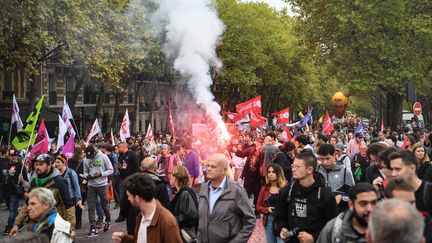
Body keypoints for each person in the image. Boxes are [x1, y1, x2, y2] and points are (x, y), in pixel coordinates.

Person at [274, 152, 338, 243]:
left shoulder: (324, 194)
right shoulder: (287, 190)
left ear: (309, 170)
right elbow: (279, 216)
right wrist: (282, 228)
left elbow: (333, 225)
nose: (293, 169)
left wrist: (314, 237)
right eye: (293, 166)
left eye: (298, 167)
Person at [10, 154, 75, 236]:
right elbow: (27, 204)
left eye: (41, 164)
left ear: (49, 165)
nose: (37, 167)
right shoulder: (34, 182)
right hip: (36, 226)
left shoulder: (59, 181)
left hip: (55, 226)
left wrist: (71, 228)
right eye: (36, 164)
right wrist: (17, 224)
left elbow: (68, 205)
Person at [197, 153, 255, 242]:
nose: (208, 169)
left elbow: (250, 220)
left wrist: (237, 241)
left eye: (213, 167)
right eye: (208, 165)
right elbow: (201, 219)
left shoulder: (236, 191)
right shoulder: (203, 189)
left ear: (224, 170)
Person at [111, 173, 182, 243]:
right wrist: (124, 239)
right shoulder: (141, 216)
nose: (128, 199)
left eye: (129, 196)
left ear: (137, 198)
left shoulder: (167, 222)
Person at [389, 150, 432, 217]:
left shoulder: (429, 191)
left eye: (397, 169)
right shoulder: (395, 192)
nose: (393, 174)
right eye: (392, 169)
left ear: (412, 168)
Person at [83, 145, 114, 237]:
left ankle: (108, 220)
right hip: (91, 184)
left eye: (92, 156)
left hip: (102, 184)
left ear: (95, 152)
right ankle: (93, 227)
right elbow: (85, 171)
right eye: (89, 157)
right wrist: (87, 175)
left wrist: (101, 174)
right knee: (91, 206)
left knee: (105, 206)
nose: (90, 158)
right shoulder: (86, 160)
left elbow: (111, 170)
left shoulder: (104, 157)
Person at [317, 144, 355, 212]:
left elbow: (353, 194)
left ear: (334, 156)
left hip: (340, 212)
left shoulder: (345, 171)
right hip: (320, 212)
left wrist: (341, 197)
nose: (325, 162)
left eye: (328, 158)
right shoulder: (316, 170)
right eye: (322, 159)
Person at [256, 164, 286, 243]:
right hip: (269, 220)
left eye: (273, 172)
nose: (271, 174)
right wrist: (267, 209)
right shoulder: (264, 189)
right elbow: (258, 207)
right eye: (269, 172)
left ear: (278, 173)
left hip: (282, 221)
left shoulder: (285, 188)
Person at [2, 149, 27, 235]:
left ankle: (9, 227)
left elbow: (26, 180)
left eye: (16, 156)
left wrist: (22, 180)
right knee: (12, 209)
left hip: (15, 192)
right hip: (5, 191)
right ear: (8, 156)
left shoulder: (20, 166)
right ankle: (20, 223)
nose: (15, 157)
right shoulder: (4, 164)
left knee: (12, 210)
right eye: (12, 156)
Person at [54, 155, 83, 229]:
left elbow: (76, 186)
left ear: (64, 163)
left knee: (70, 219)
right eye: (55, 162)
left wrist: (79, 199)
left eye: (58, 162)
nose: (56, 164)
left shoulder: (71, 172)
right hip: (60, 199)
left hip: (70, 198)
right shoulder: (55, 174)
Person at [171, 165, 199, 243]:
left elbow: (190, 214)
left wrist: (171, 219)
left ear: (176, 178)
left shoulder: (185, 193)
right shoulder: (181, 192)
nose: (170, 177)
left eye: (171, 175)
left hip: (186, 234)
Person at [117, 142, 140, 223]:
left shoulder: (132, 154)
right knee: (122, 197)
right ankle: (122, 214)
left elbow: (136, 167)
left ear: (124, 147)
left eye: (119, 147)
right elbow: (121, 166)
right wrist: (120, 168)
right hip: (123, 178)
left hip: (131, 178)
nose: (118, 149)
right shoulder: (120, 156)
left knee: (130, 196)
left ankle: (133, 212)